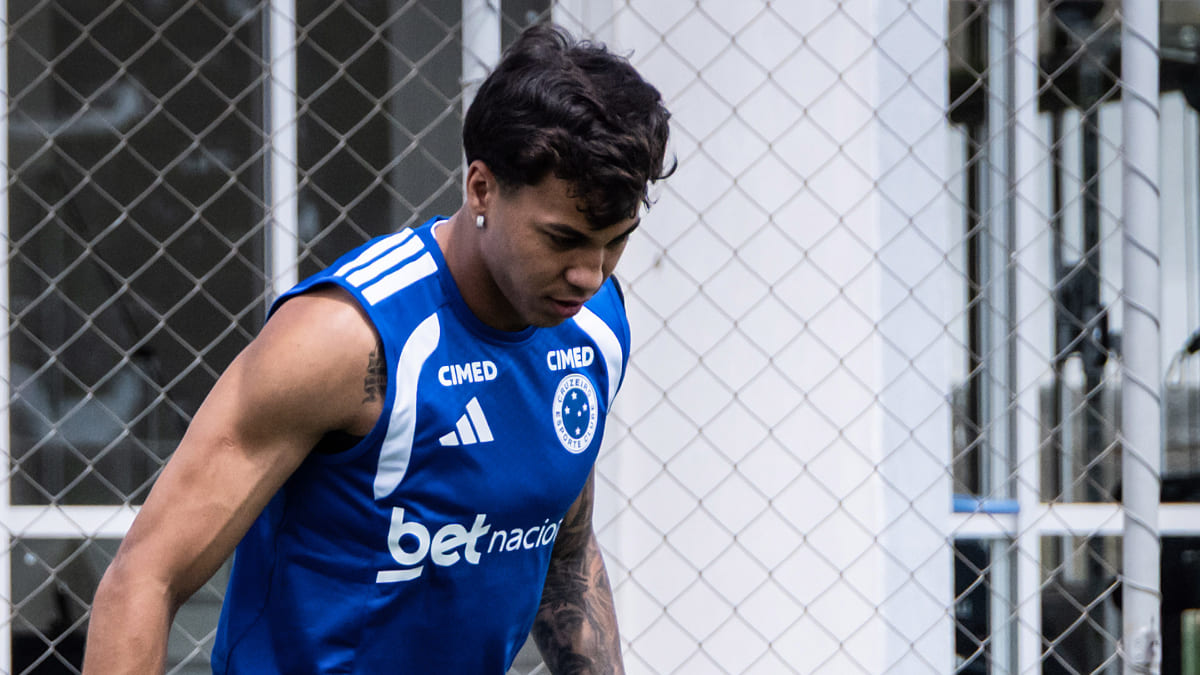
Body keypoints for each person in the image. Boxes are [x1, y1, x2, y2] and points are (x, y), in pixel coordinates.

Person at [82, 22, 672, 674]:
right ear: (481, 188)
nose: (590, 274)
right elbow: (144, 578)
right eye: (562, 239)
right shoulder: (344, 339)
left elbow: (563, 546)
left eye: (614, 241)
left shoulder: (592, 323)